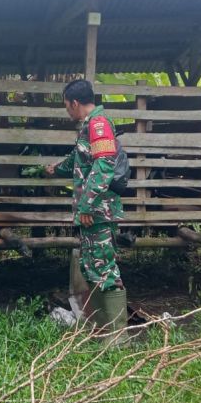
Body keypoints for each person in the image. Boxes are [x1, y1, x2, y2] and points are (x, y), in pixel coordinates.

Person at [46, 79, 125, 324]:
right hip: (91, 212)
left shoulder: (99, 124)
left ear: (75, 103)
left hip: (97, 211)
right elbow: (78, 161)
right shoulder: (88, 126)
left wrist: (87, 205)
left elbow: (104, 165)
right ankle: (102, 328)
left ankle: (116, 337)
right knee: (93, 267)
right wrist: (55, 169)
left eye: (66, 105)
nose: (67, 110)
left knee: (105, 269)